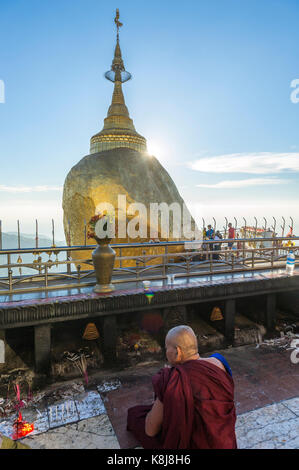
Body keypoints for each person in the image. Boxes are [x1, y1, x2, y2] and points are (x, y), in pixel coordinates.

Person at [127, 325, 237, 449]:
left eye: (166, 348)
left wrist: (170, 379)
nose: (166, 352)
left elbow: (150, 430)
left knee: (135, 415)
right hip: (225, 443)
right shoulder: (220, 362)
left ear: (178, 352)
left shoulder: (172, 380)